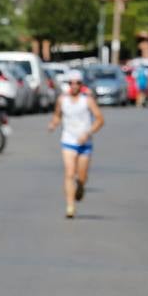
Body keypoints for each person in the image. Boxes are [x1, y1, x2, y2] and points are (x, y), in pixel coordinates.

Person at [49, 73, 104, 218]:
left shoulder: (87, 101)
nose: (74, 86)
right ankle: (70, 206)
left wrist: (88, 133)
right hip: (68, 140)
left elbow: (100, 120)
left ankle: (80, 187)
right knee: (69, 173)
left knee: (82, 176)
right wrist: (53, 124)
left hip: (85, 142)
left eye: (78, 83)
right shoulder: (62, 100)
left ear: (81, 85)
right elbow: (57, 115)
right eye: (71, 83)